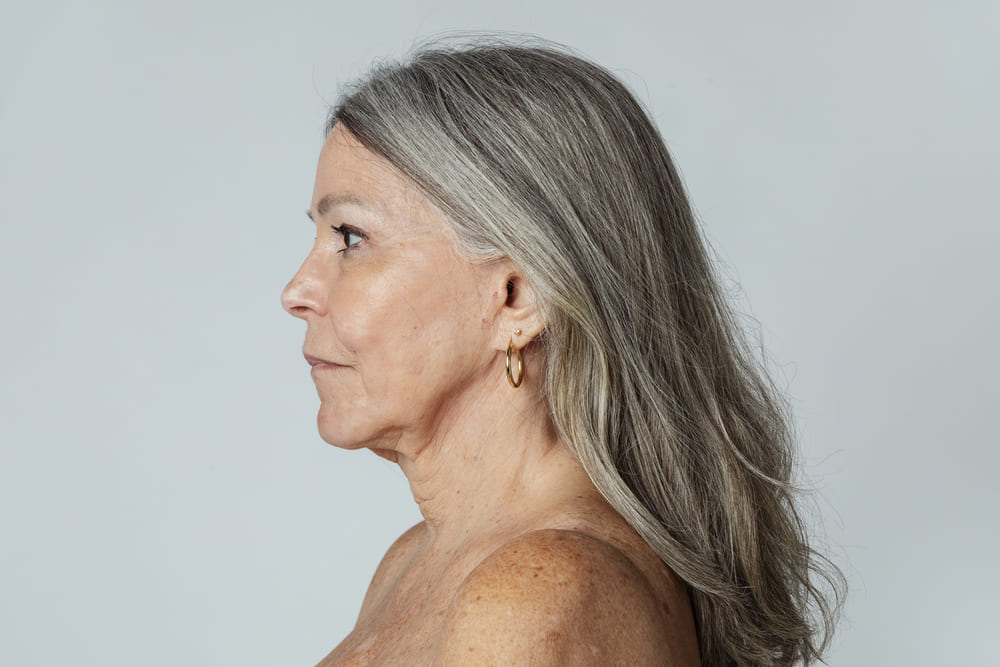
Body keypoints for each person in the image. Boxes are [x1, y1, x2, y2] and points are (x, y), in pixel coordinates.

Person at [281, 37, 843, 666]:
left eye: (351, 237)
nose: (297, 292)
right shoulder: (413, 565)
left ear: (516, 299)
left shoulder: (532, 597)